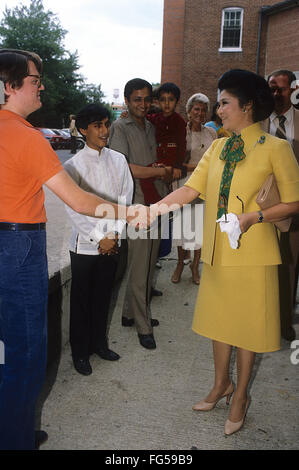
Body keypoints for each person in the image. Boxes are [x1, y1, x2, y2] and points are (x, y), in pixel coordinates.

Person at [0, 49, 143, 450]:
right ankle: (15, 438)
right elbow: (79, 202)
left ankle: (14, 425)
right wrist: (131, 213)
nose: (41, 85)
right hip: (18, 246)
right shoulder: (25, 136)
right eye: (33, 79)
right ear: (9, 87)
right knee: (25, 356)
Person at [150, 69, 299, 435]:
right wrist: (152, 210)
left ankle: (241, 395)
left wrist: (254, 216)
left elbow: (294, 202)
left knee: (246, 329)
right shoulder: (217, 146)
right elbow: (190, 190)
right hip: (217, 251)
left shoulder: (276, 148)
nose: (219, 109)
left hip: (254, 255)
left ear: (246, 106)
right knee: (220, 324)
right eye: (219, 103)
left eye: (225, 103)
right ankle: (221, 384)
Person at [64, 104, 134, 376]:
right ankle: (80, 353)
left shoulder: (118, 160)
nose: (105, 131)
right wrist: (99, 238)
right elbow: (74, 209)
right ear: (83, 130)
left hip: (112, 241)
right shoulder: (73, 166)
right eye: (97, 126)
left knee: (103, 295)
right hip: (84, 245)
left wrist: (114, 234)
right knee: (81, 301)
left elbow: (125, 199)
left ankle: (99, 344)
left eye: (106, 124)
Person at [109, 78, 172, 350]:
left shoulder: (150, 126)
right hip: (135, 206)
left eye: (147, 99)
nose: (143, 104)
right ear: (126, 101)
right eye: (137, 99)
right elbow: (125, 168)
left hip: (155, 201)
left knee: (146, 262)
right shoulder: (119, 128)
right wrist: (159, 171)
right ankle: (143, 326)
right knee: (140, 266)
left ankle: (128, 314)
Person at [262, 69, 299, 341]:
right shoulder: (260, 123)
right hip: (263, 206)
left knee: (290, 264)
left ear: (293, 89)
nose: (276, 94)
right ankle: (264, 317)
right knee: (266, 264)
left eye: (281, 89)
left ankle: (284, 322)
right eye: (271, 89)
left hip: (295, 206)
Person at [171, 93, 216, 285]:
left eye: (204, 109)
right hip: (183, 185)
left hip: (204, 187)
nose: (200, 113)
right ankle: (180, 263)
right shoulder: (181, 132)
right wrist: (198, 167)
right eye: (196, 109)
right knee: (182, 228)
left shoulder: (211, 133)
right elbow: (176, 162)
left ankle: (195, 266)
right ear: (189, 111)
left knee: (199, 229)